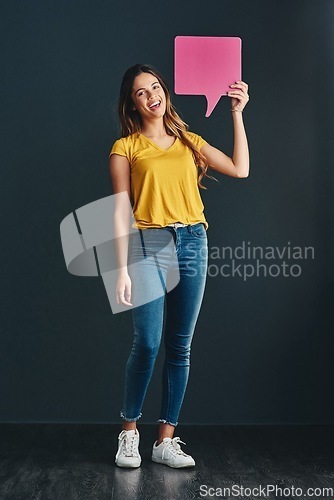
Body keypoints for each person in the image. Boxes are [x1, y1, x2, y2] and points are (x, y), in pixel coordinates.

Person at [109, 63, 249, 469]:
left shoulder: (189, 140)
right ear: (132, 104)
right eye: (141, 92)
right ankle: (129, 434)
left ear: (164, 92)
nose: (151, 95)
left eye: (155, 87)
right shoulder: (126, 147)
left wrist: (237, 113)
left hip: (193, 240)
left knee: (180, 345)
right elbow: (120, 213)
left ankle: (165, 440)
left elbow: (241, 169)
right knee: (148, 343)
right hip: (148, 243)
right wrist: (119, 269)